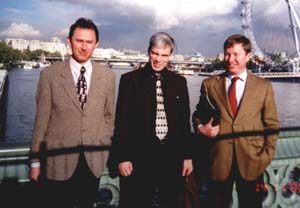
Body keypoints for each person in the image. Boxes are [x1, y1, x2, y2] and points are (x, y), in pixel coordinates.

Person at [29, 17, 115, 208]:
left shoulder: (107, 76)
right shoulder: (49, 75)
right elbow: (41, 120)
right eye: (79, 41)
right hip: (58, 161)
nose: (84, 47)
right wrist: (35, 161)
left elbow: (109, 116)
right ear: (69, 41)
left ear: (96, 45)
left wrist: (103, 142)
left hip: (92, 161)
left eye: (89, 42)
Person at [192, 34, 279, 208]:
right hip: (218, 160)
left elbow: (272, 124)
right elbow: (198, 114)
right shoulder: (210, 84)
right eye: (227, 54)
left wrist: (265, 157)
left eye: (235, 54)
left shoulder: (263, 87)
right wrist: (201, 128)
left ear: (247, 57)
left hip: (251, 161)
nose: (230, 59)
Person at [108, 32, 193, 208]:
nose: (159, 59)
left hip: (172, 158)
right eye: (155, 53)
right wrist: (122, 157)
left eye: (164, 55)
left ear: (170, 55)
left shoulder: (179, 82)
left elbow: (184, 122)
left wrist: (187, 156)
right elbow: (122, 121)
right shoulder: (129, 80)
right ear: (149, 52)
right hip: (139, 159)